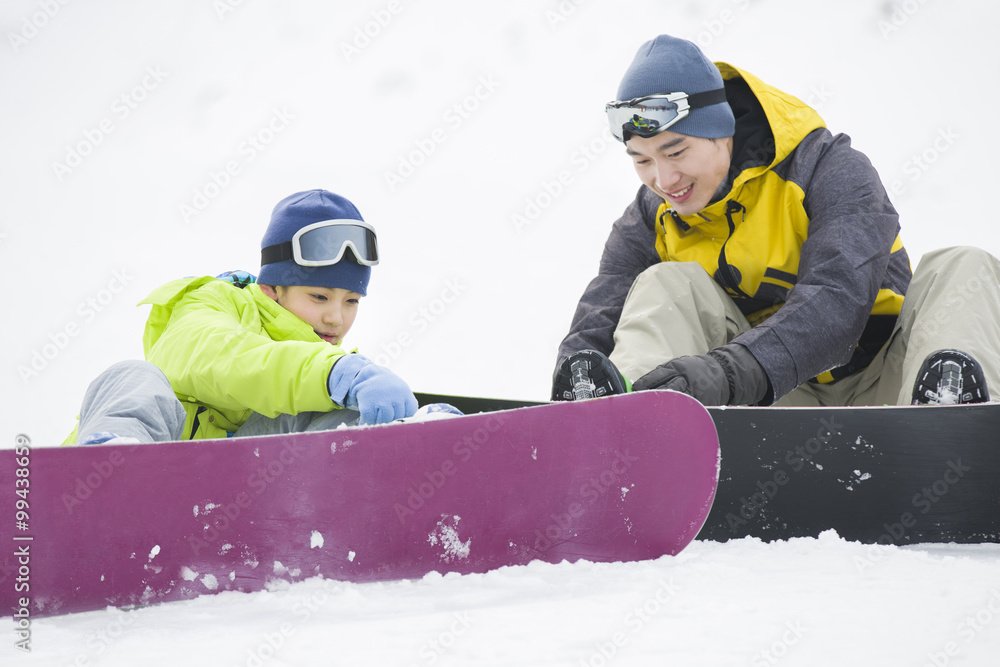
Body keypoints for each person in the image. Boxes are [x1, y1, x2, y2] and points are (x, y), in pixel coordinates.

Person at [552, 35, 1000, 407]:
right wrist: (575, 373)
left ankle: (949, 424)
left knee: (964, 264)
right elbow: (599, 318)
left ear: (721, 131)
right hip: (777, 406)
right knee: (665, 285)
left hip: (886, 386)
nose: (663, 179)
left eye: (675, 152)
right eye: (641, 160)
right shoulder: (650, 221)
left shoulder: (827, 170)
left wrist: (727, 373)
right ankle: (617, 429)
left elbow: (838, 301)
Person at [66, 189, 425, 446]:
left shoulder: (323, 373)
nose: (336, 318)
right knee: (132, 376)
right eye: (319, 296)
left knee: (341, 415)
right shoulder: (212, 302)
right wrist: (333, 372)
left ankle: (416, 441)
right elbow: (219, 358)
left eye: (352, 301)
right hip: (162, 467)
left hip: (234, 506)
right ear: (271, 287)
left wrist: (412, 428)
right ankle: (111, 477)